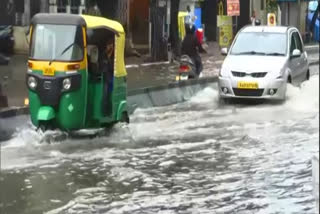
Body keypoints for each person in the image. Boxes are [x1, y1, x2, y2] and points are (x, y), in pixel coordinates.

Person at [101, 38, 114, 116]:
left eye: (111, 45)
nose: (109, 47)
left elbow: (112, 67)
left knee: (111, 96)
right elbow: (103, 66)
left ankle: (110, 111)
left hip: (112, 77)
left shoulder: (114, 54)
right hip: (106, 78)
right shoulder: (104, 55)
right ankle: (105, 112)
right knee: (105, 96)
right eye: (108, 45)